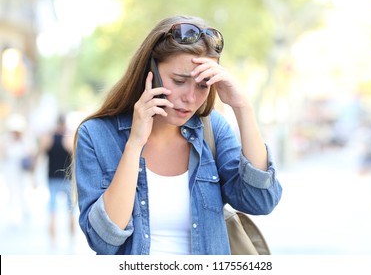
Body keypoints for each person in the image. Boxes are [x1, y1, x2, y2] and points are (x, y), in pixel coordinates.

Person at [73, 15, 282, 255]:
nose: (190, 98)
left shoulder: (212, 129)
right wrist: (134, 144)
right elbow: (104, 241)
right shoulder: (97, 135)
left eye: (203, 85)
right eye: (179, 80)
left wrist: (242, 107)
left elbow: (260, 200)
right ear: (149, 71)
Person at [39, 115, 75, 247]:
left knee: (53, 209)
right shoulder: (68, 137)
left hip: (54, 177)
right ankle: (71, 240)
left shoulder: (49, 137)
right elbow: (74, 153)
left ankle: (53, 241)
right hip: (66, 179)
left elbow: (41, 153)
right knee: (70, 209)